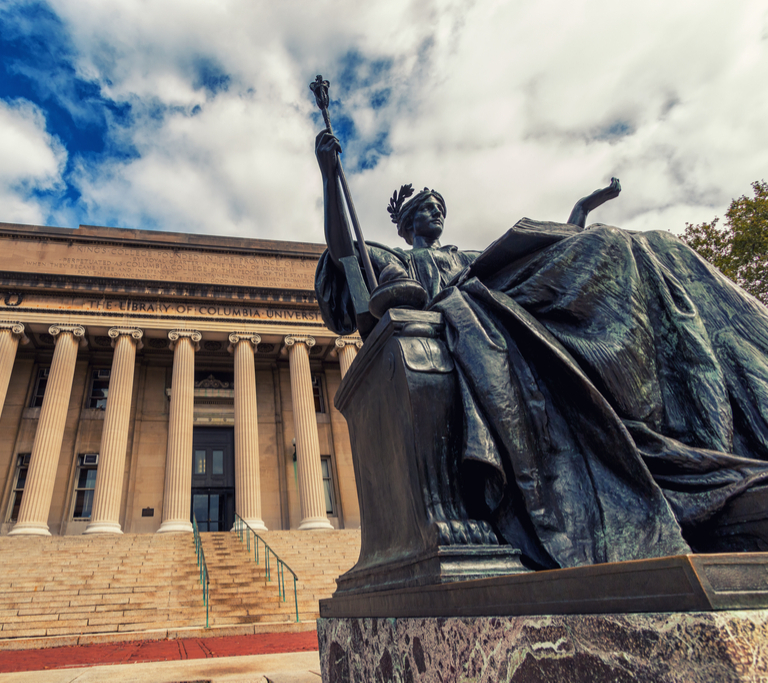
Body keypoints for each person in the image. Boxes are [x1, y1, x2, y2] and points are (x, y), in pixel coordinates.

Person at [314, 130, 768, 569]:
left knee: (620, 246)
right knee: (507, 319)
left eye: (440, 208)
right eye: (428, 209)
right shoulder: (397, 258)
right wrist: (330, 175)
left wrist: (582, 210)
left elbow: (531, 254)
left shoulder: (466, 255)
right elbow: (344, 254)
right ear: (410, 220)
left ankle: (678, 425)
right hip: (469, 320)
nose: (436, 214)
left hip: (500, 303)